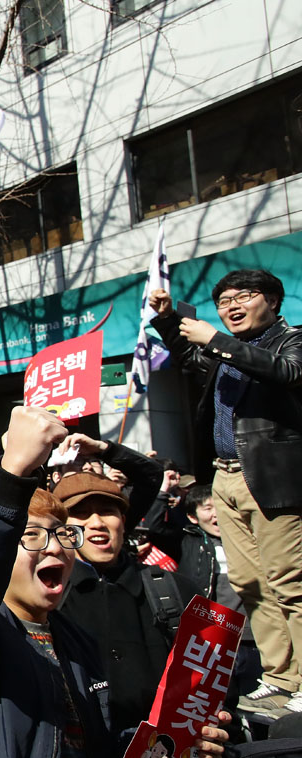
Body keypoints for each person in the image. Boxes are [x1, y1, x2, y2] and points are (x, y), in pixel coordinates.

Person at [0, 407, 232, 758]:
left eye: (63, 534)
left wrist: (170, 747)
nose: (55, 548)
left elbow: (91, 747)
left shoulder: (77, 643)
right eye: (31, 535)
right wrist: (11, 472)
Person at [151, 271, 302, 716]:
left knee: (290, 583)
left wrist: (215, 337)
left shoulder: (289, 340)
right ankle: (280, 675)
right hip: (224, 477)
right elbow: (189, 360)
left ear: (273, 301)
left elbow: (288, 373)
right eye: (223, 301)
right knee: (250, 583)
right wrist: (167, 319)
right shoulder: (221, 352)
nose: (232, 306)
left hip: (270, 478)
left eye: (244, 296)